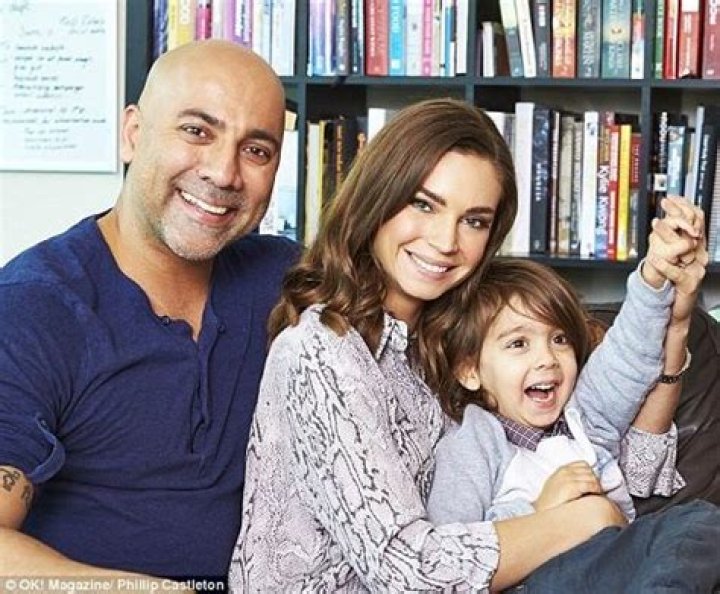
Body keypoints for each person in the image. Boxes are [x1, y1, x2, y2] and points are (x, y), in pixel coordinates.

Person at [230, 98, 697, 592]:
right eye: (424, 204)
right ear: (377, 199)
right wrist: (579, 519)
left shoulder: (463, 342)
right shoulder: (320, 351)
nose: (445, 241)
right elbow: (405, 574)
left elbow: (630, 464)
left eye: (474, 220)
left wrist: (674, 317)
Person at [0, 40, 299, 583]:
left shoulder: (286, 282)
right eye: (197, 131)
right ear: (133, 133)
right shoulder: (34, 307)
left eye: (256, 150)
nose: (224, 173)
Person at [426, 198, 720, 592]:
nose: (547, 358)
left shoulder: (584, 415)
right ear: (470, 371)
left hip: (618, 567)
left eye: (559, 339)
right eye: (518, 344)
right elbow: (451, 551)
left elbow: (629, 352)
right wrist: (539, 510)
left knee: (699, 521)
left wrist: (654, 275)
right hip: (537, 580)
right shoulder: (471, 445)